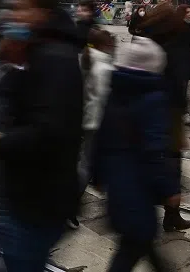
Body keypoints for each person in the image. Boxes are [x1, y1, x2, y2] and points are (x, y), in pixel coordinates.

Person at [0, 0, 83, 272]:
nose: (15, 12)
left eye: (24, 7)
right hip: (29, 192)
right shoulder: (38, 51)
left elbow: (49, 131)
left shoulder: (54, 58)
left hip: (39, 197)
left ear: (43, 14)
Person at [94, 36, 179, 272]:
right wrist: (169, 189)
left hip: (118, 184)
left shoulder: (115, 90)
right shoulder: (153, 98)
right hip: (138, 186)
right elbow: (155, 150)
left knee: (139, 241)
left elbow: (100, 137)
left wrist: (98, 175)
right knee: (135, 243)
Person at [138, 3, 190, 232]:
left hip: (143, 107)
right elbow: (179, 76)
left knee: (148, 156)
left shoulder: (143, 39)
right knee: (171, 158)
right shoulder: (177, 40)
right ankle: (171, 211)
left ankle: (149, 207)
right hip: (167, 108)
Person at [70, 27, 116, 228]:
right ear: (105, 46)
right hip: (98, 121)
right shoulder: (104, 68)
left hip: (86, 119)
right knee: (87, 165)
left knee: (87, 163)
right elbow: (107, 99)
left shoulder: (84, 60)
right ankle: (68, 204)